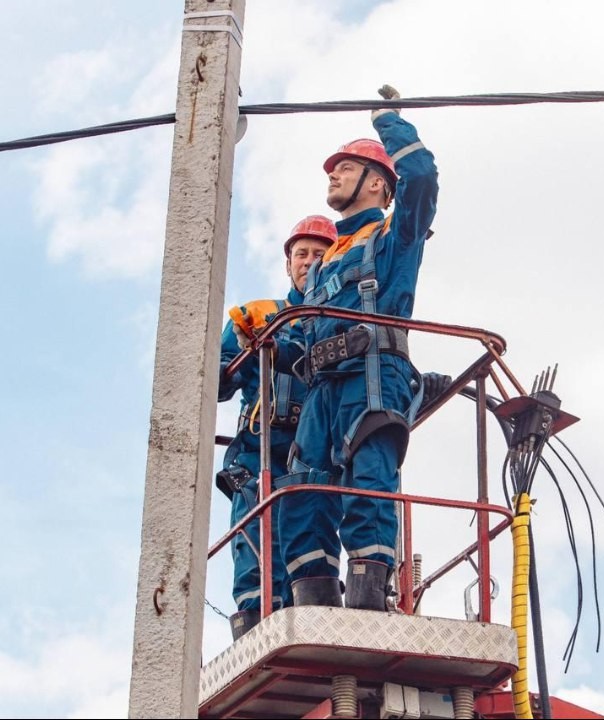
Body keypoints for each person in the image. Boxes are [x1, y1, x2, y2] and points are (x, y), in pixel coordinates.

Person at [272, 85, 440, 611]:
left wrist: (389, 122)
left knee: (369, 482)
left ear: (376, 183)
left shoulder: (393, 239)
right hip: (323, 390)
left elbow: (423, 181)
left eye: (346, 168)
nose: (333, 174)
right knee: (302, 496)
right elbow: (296, 340)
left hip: (372, 375)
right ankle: (313, 604)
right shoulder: (321, 268)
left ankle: (367, 599)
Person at [217, 214, 337, 639]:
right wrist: (226, 367)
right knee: (256, 542)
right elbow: (220, 379)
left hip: (316, 451)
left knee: (311, 539)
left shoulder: (340, 320)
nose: (309, 261)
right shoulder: (261, 314)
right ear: (288, 264)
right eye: (301, 253)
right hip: (260, 450)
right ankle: (254, 625)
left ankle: (314, 619)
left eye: (319, 253)